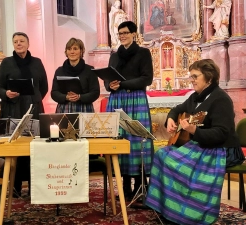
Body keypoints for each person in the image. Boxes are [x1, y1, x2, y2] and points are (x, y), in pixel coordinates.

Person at [145, 59, 243, 225]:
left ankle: (188, 214)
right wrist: (170, 118)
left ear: (209, 78)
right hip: (201, 144)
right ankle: (169, 208)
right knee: (162, 154)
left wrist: (194, 131)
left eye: (195, 76)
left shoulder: (221, 99)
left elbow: (221, 133)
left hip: (220, 148)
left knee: (176, 163)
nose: (192, 80)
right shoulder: (196, 96)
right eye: (191, 77)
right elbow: (177, 109)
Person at [0, 32, 48, 197]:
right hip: (13, 109)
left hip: (33, 109)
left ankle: (35, 187)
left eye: (22, 41)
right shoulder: (7, 63)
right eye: (15, 41)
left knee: (35, 148)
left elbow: (44, 86)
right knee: (15, 149)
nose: (18, 44)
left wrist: (34, 99)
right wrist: (7, 93)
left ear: (28, 43)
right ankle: (15, 187)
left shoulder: (37, 62)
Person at [104, 21, 153, 200]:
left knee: (137, 140)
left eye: (125, 32)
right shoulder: (115, 56)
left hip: (135, 99)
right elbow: (107, 81)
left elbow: (147, 79)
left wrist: (122, 84)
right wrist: (110, 85)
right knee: (119, 140)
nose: (122, 36)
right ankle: (124, 186)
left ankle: (141, 184)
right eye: (120, 33)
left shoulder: (143, 53)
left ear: (133, 34)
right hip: (117, 100)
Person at [51, 37, 99, 113]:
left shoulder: (89, 70)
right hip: (64, 108)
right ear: (66, 52)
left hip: (84, 108)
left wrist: (80, 97)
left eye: (75, 49)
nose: (72, 52)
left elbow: (95, 92)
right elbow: (54, 93)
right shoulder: (59, 71)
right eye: (69, 49)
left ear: (81, 51)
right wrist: (66, 97)